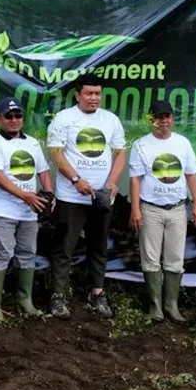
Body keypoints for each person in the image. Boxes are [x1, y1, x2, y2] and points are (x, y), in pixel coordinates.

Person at [47, 74, 127, 319]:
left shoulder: (110, 120)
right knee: (64, 247)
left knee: (99, 246)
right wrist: (75, 180)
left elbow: (121, 152)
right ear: (78, 95)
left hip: (102, 198)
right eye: (89, 94)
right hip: (71, 197)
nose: (94, 98)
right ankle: (58, 297)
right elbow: (56, 154)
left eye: (97, 94)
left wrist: (112, 183)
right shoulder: (64, 119)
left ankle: (97, 294)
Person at [128, 100, 196, 322]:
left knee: (175, 259)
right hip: (150, 209)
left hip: (177, 209)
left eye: (167, 117)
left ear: (172, 118)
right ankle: (155, 306)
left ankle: (172, 305)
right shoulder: (141, 145)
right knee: (150, 258)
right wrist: (135, 209)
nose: (163, 121)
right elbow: (135, 180)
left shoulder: (182, 143)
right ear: (151, 120)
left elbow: (191, 175)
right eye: (159, 117)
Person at [0, 96, 52, 322]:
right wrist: (24, 196)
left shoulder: (32, 143)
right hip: (3, 209)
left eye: (18, 115)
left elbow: (43, 171)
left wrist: (48, 195)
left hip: (29, 211)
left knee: (27, 253)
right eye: (8, 116)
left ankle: (25, 299)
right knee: (2, 253)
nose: (14, 120)